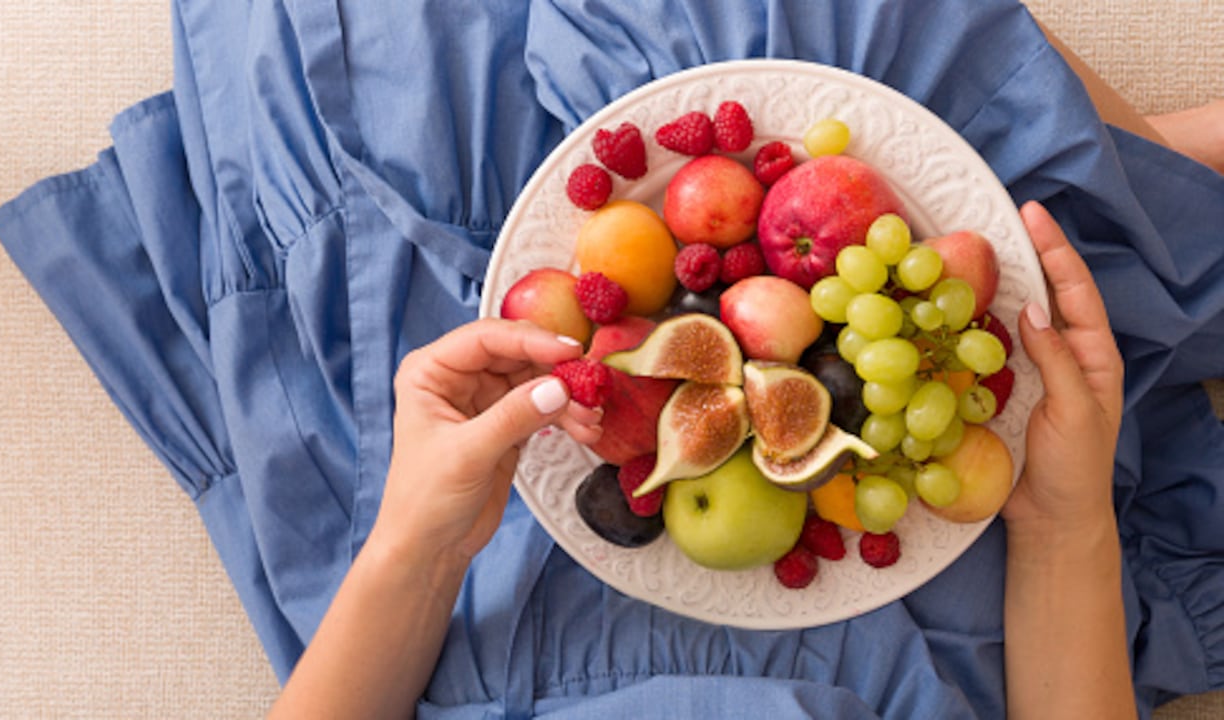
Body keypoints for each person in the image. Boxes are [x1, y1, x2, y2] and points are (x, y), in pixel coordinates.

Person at [266, 200, 1134, 719]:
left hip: (496, 611)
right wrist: (1065, 527)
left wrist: (419, 547)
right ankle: (1138, 170)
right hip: (919, 642)